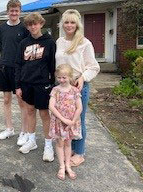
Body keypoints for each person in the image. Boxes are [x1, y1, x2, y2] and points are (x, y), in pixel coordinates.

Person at [56, 9, 100, 167]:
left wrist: (82, 77)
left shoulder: (84, 43)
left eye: (72, 22)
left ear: (77, 24)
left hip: (77, 87)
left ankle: (80, 153)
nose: (69, 25)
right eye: (66, 22)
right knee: (65, 120)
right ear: (62, 24)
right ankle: (71, 148)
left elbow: (94, 67)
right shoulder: (59, 42)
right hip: (61, 87)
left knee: (77, 120)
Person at [15, 12, 55, 162]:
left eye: (35, 23)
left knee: (44, 114)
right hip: (26, 84)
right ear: (27, 26)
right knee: (30, 111)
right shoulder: (23, 43)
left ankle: (48, 146)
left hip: (43, 84)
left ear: (41, 24)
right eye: (30, 24)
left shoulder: (49, 42)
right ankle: (32, 141)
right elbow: (18, 65)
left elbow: (52, 65)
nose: (33, 26)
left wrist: (52, 85)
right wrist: (18, 85)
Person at [0, 0, 30, 146]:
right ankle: (9, 128)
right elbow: (2, 47)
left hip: (18, 69)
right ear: (7, 12)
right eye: (11, 11)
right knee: (6, 100)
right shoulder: (1, 28)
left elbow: (26, 49)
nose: (14, 13)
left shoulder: (24, 29)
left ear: (20, 12)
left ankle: (24, 131)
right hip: (4, 67)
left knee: (21, 101)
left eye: (16, 11)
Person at [49, 64, 82, 180]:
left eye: (64, 77)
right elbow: (51, 106)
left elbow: (79, 108)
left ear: (70, 77)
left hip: (71, 123)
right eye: (59, 77)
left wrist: (72, 122)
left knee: (68, 144)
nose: (61, 80)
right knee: (59, 143)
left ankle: (68, 165)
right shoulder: (55, 90)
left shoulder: (74, 90)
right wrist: (63, 120)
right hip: (59, 122)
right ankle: (61, 166)